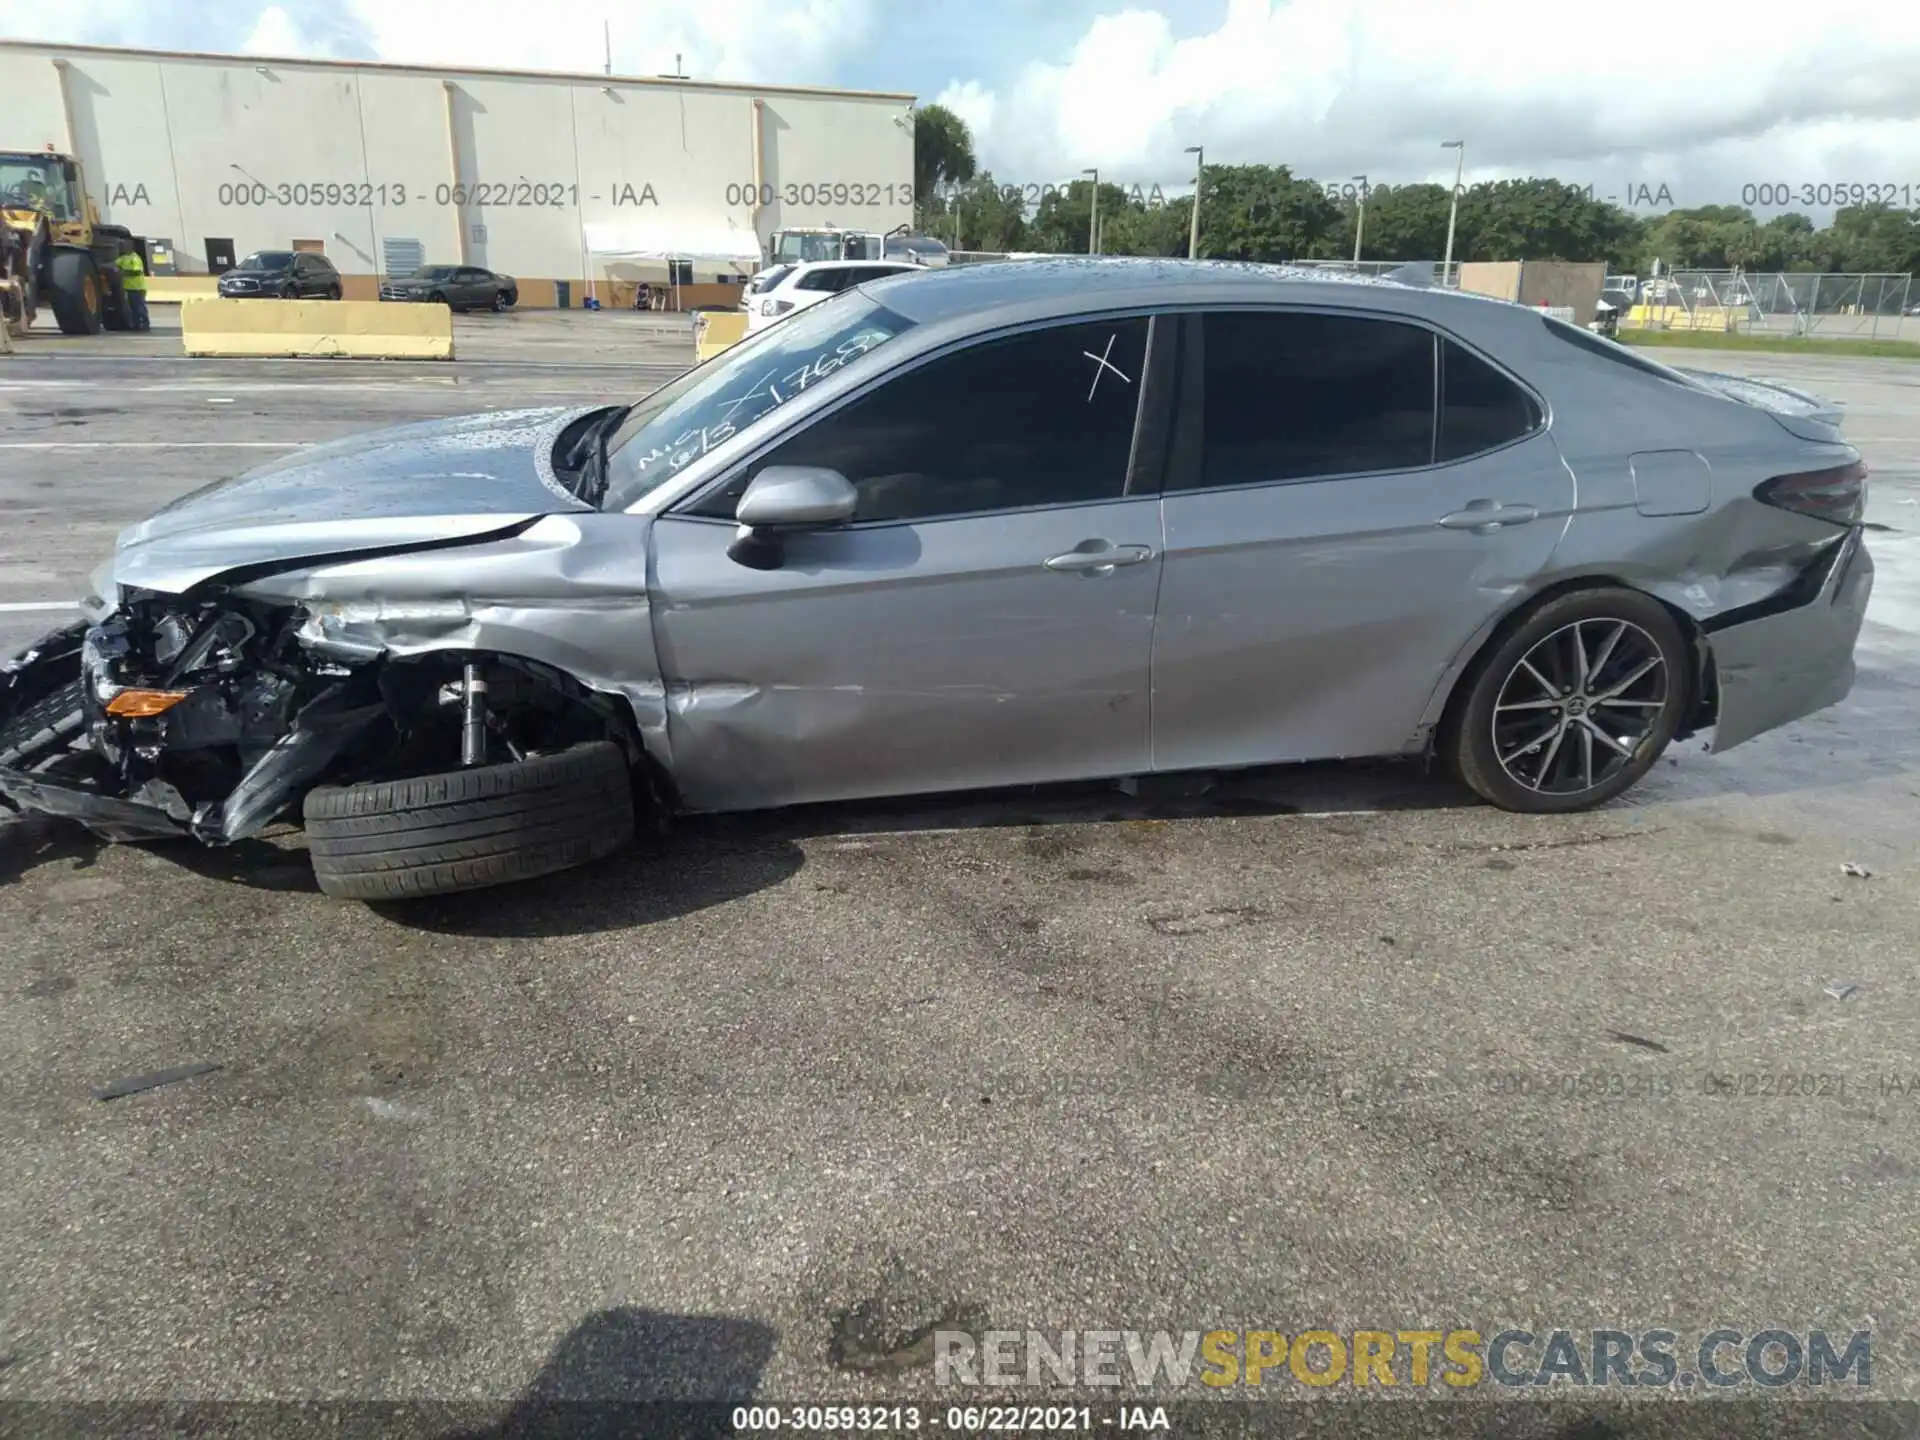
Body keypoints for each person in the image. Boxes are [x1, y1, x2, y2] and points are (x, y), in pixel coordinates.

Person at [115, 248, 150, 331]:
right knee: (132, 308)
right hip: (129, 288)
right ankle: (136, 324)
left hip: (138, 287)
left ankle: (144, 324)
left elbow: (137, 271)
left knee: (139, 307)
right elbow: (114, 265)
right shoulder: (123, 258)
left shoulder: (135, 258)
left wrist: (123, 273)